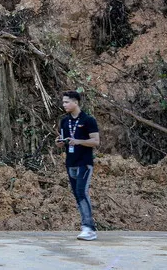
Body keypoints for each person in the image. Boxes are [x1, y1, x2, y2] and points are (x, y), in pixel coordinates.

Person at [56, 90, 99, 241]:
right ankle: (86, 227)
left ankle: (89, 228)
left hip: (84, 163)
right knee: (77, 194)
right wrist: (61, 143)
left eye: (67, 102)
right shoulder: (64, 121)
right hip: (71, 162)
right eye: (63, 102)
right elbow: (64, 140)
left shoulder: (88, 120)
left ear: (76, 102)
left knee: (82, 192)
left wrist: (79, 141)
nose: (64, 105)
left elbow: (95, 141)